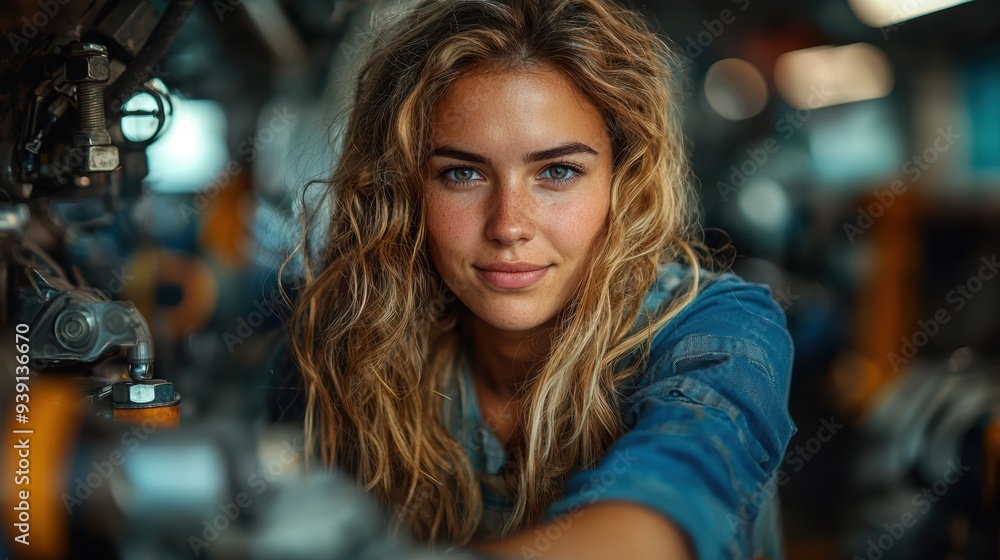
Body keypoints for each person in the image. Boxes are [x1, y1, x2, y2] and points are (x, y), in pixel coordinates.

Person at [281, 0, 796, 558]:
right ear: (406, 191)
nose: (508, 226)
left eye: (557, 171)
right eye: (462, 173)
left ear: (621, 183)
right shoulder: (356, 335)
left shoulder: (725, 331)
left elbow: (666, 504)